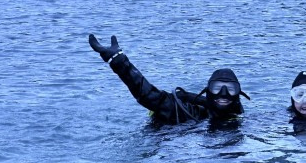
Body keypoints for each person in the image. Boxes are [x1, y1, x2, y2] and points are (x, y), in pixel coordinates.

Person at [89, 33, 248, 125]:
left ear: (239, 94)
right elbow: (149, 96)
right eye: (217, 87)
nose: (224, 94)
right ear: (208, 91)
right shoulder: (187, 112)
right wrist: (119, 61)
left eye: (231, 89)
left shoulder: (244, 121)